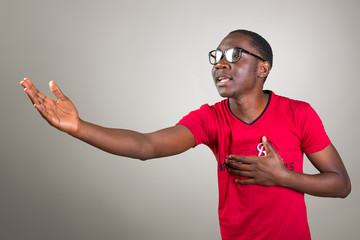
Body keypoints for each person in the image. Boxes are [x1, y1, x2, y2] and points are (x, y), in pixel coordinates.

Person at [20, 29, 351, 240]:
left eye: (233, 55)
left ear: (263, 68)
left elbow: (340, 184)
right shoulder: (210, 119)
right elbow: (146, 146)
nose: (220, 64)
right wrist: (80, 128)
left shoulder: (298, 114)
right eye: (216, 57)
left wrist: (283, 177)